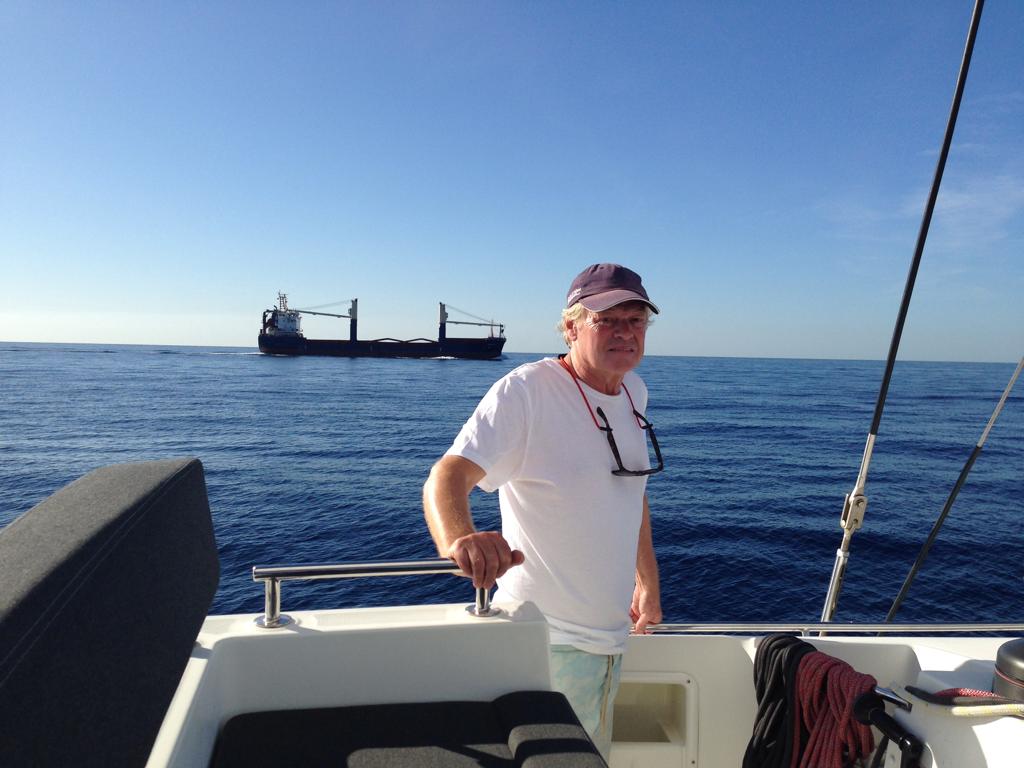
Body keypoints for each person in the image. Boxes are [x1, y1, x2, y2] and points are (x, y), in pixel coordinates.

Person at [423, 263, 663, 759]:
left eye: (635, 320)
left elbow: (630, 494)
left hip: (612, 636)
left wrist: (647, 580)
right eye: (607, 319)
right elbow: (447, 475)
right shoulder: (526, 391)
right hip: (550, 642)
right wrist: (459, 540)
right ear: (571, 327)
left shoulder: (633, 391)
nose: (625, 331)